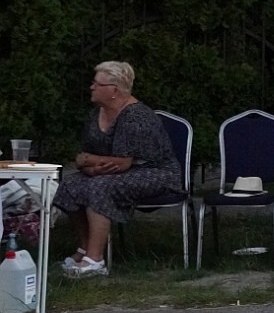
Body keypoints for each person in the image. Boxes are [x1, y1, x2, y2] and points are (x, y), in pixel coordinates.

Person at [53, 61, 182, 277]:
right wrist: (89, 168)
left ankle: (95, 260)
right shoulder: (96, 115)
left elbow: (122, 162)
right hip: (117, 172)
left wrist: (90, 161)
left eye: (97, 83)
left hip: (155, 173)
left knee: (101, 187)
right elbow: (82, 157)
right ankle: (84, 248)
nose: (91, 87)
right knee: (71, 184)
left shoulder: (136, 116)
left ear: (114, 90)